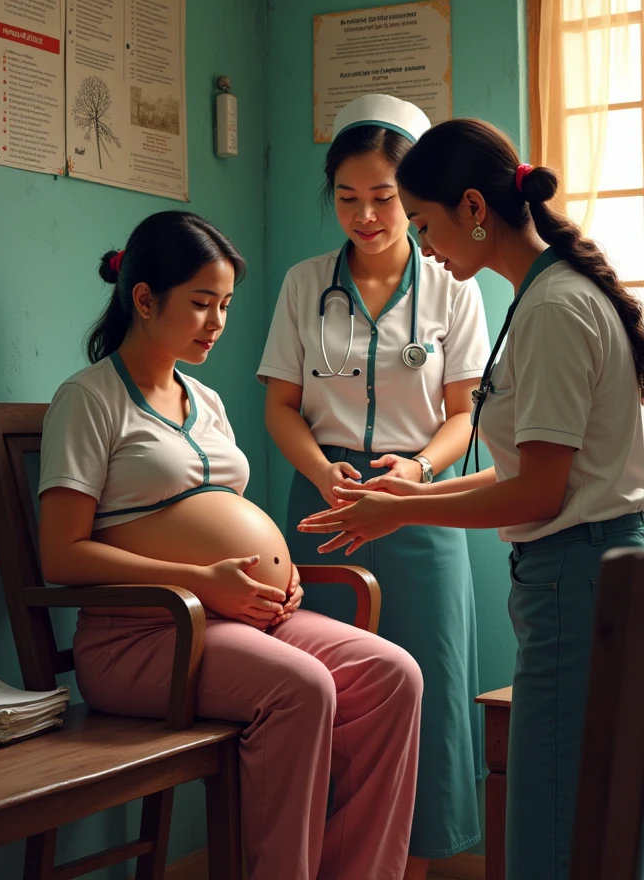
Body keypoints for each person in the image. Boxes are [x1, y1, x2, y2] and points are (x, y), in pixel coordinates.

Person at [297, 119, 644, 880]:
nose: (422, 245)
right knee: (593, 823)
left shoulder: (552, 308)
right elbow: (528, 470)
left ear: (475, 209)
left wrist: (403, 508)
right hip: (585, 572)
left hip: (574, 580)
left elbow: (543, 492)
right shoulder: (547, 295)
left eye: (423, 223)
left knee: (548, 839)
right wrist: (409, 489)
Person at [38, 209, 423, 880]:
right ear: (144, 299)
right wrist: (204, 583)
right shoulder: (90, 399)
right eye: (201, 304)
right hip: (144, 635)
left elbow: (225, 518)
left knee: (394, 676)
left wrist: (281, 577)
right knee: (301, 689)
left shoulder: (206, 400)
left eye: (225, 305)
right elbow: (61, 554)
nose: (217, 322)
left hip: (239, 618)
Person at [259, 95, 490, 880]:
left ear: (413, 194)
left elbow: (465, 414)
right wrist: (322, 471)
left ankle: (410, 869)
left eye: (385, 198)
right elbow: (280, 406)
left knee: (427, 697)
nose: (365, 216)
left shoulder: (454, 284)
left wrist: (420, 472)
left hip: (419, 514)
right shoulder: (302, 285)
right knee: (321, 697)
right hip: (321, 509)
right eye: (348, 198)